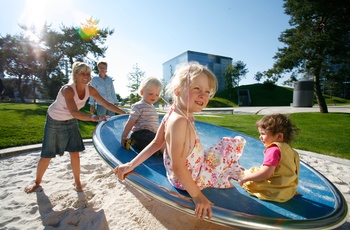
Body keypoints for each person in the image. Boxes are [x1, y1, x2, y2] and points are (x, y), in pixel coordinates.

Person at [114, 62, 245, 220]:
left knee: (222, 151)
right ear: (177, 91)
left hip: (180, 173)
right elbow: (178, 165)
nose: (203, 95)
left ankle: (228, 168)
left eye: (207, 92)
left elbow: (156, 143)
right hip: (188, 178)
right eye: (196, 89)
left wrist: (130, 164)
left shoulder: (174, 112)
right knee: (228, 145)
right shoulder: (179, 121)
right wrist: (197, 196)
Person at [24, 62, 126, 194]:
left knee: (75, 153)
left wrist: (125, 113)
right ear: (75, 75)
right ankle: (37, 182)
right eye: (82, 73)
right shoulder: (68, 89)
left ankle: (77, 182)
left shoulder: (91, 89)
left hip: (70, 121)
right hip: (54, 120)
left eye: (88, 73)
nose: (86, 76)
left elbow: (107, 104)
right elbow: (75, 112)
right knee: (47, 155)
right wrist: (94, 118)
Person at [238, 113, 300, 202]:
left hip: (272, 191)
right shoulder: (290, 151)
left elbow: (266, 174)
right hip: (286, 190)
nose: (260, 137)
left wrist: (244, 179)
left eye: (263, 134)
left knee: (245, 175)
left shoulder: (273, 150)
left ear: (279, 136)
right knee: (253, 171)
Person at [121, 76, 163, 154]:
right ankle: (133, 141)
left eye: (157, 95)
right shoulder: (138, 106)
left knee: (162, 139)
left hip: (150, 134)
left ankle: (162, 150)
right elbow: (131, 122)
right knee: (157, 142)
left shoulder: (152, 107)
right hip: (140, 134)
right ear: (142, 92)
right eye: (151, 94)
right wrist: (124, 136)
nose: (154, 96)